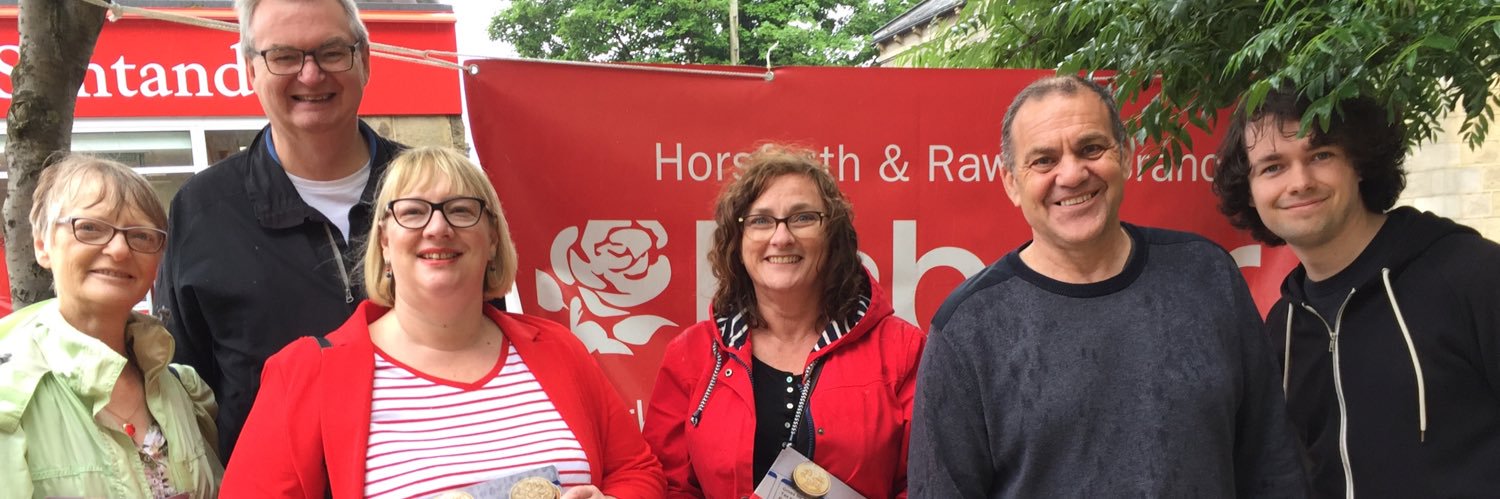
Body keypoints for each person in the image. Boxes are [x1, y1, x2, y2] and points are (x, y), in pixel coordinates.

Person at [908, 76, 1309, 498]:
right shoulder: (968, 328)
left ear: (1127, 155)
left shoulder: (1207, 275)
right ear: (1011, 182)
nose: (1072, 173)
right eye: (1044, 160)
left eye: (1091, 149)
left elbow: (1272, 466)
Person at [221, 147, 662, 498]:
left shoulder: (558, 349)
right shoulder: (306, 374)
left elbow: (637, 471)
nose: (438, 227)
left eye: (461, 210)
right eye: (413, 212)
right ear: (385, 242)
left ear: (491, 239)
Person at [1213, 88, 1500, 497]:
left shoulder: (1469, 275)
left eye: (1321, 155)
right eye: (1273, 167)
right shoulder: (1283, 331)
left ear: (1359, 164)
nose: (1300, 182)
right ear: (1251, 193)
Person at [154, 0, 404, 461]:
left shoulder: (433, 192)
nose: (310, 75)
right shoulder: (202, 212)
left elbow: (491, 343)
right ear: (248, 69)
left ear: (364, 60)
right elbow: (186, 388)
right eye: (284, 56)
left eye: (332, 52)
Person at [643, 144, 927, 499]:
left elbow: (926, 484)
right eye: (760, 221)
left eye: (803, 217)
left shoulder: (903, 351)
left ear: (834, 236)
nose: (781, 237)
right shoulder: (691, 356)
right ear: (738, 242)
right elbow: (669, 488)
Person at [0, 155, 222, 497]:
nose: (119, 249)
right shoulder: (8, 402)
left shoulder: (183, 390)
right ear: (42, 245)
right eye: (89, 227)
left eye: (142, 235)